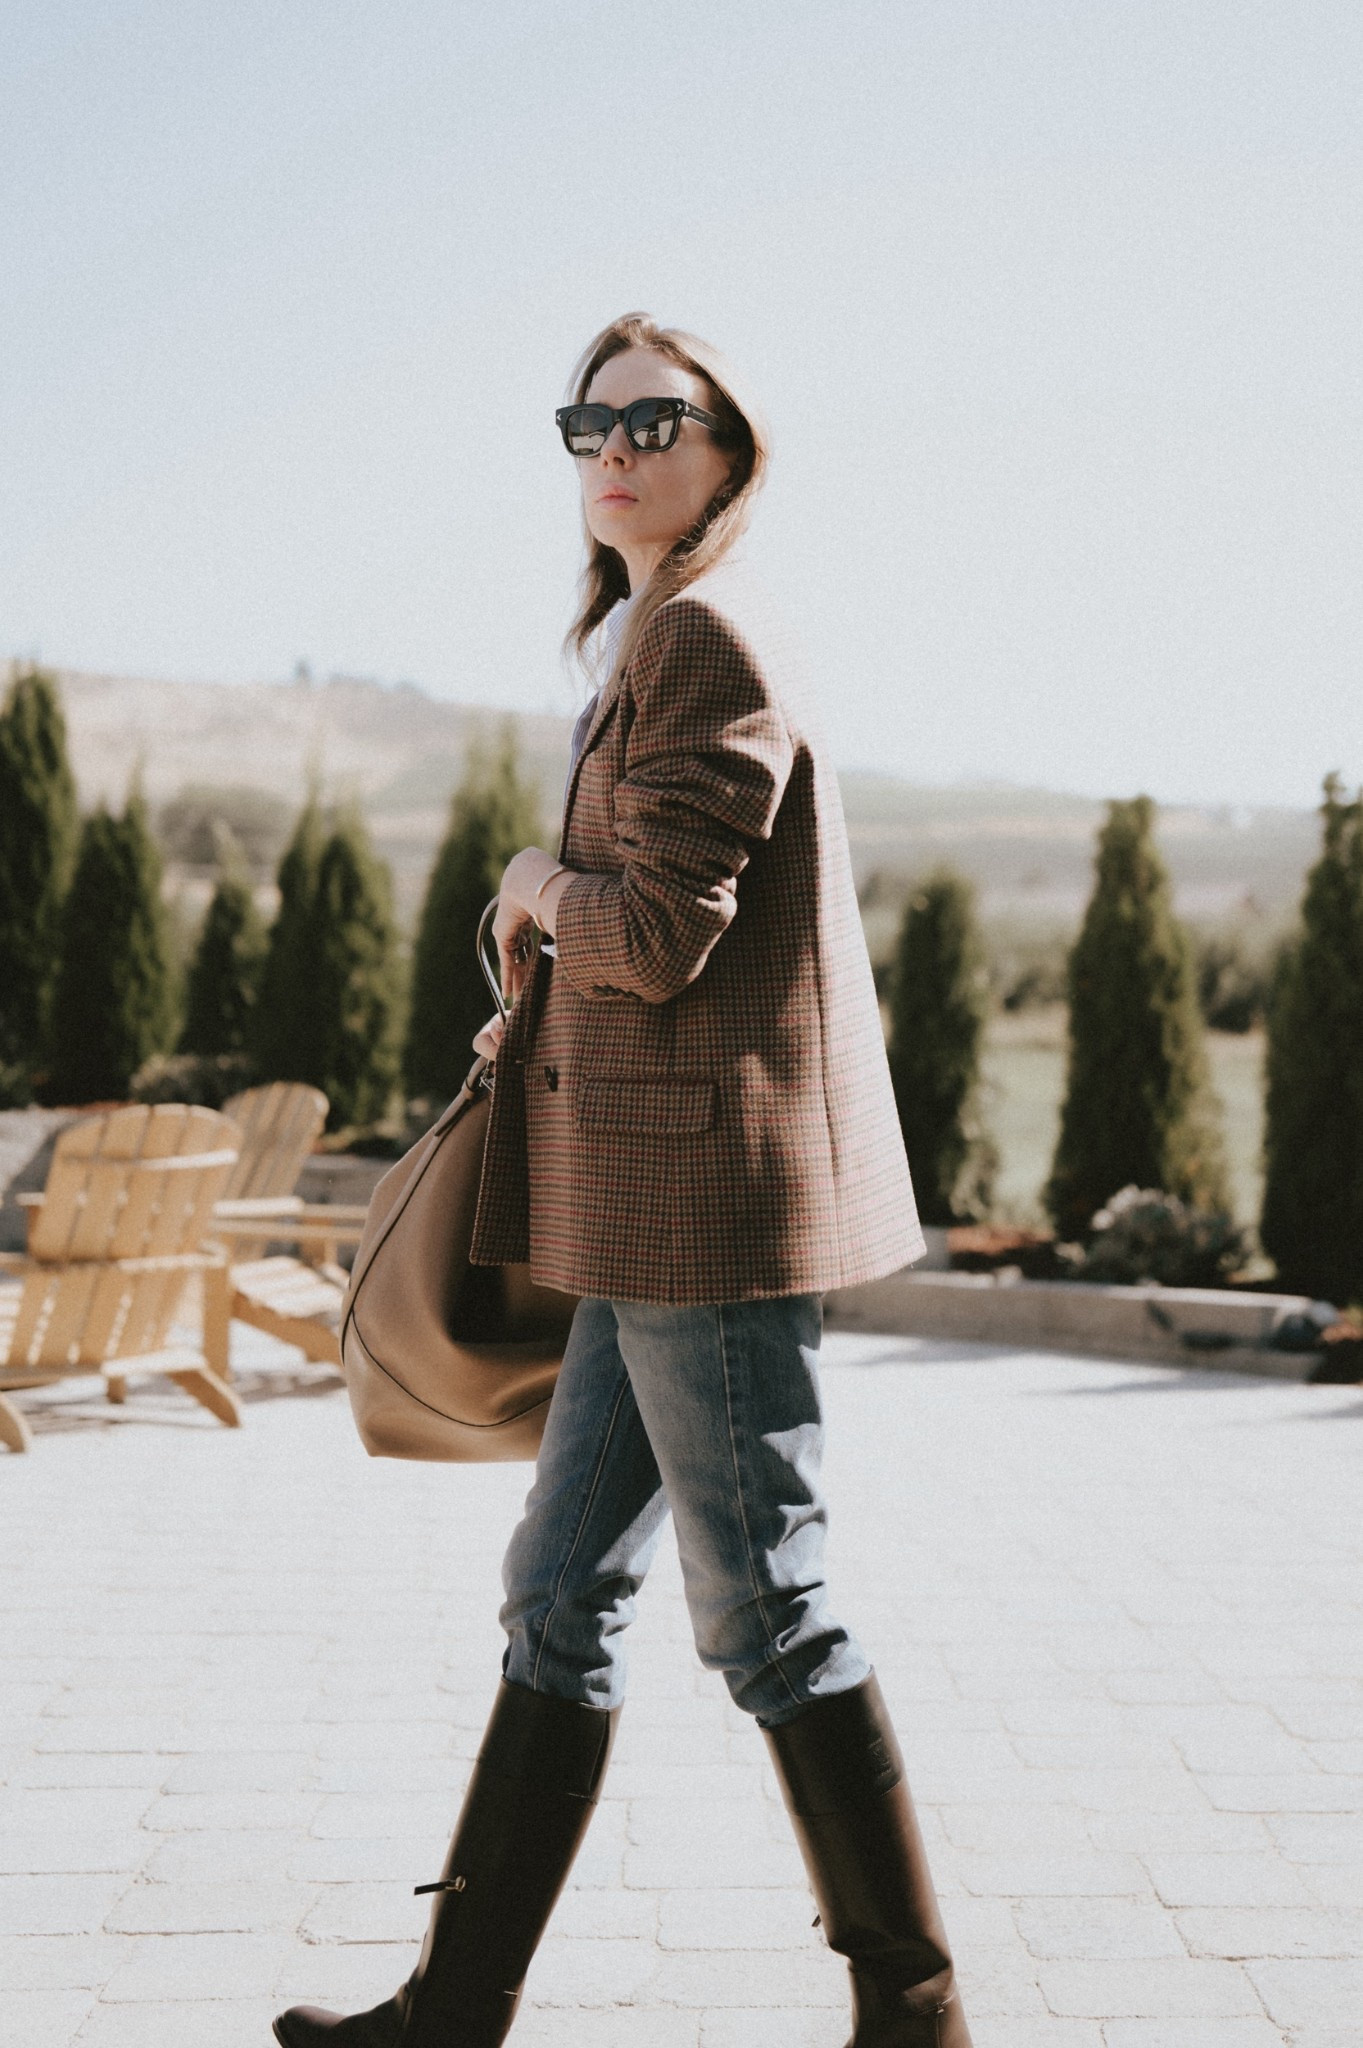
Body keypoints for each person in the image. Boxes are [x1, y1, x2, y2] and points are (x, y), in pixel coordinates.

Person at [273, 315, 972, 2048]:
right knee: (560, 1589)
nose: (614, 445)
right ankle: (456, 2010)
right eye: (587, 418)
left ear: (732, 446)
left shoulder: (708, 634)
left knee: (770, 1608)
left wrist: (532, 879)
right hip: (648, 1208)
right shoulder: (655, 633)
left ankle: (920, 2010)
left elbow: (656, 937)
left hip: (704, 1216)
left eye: (657, 416)